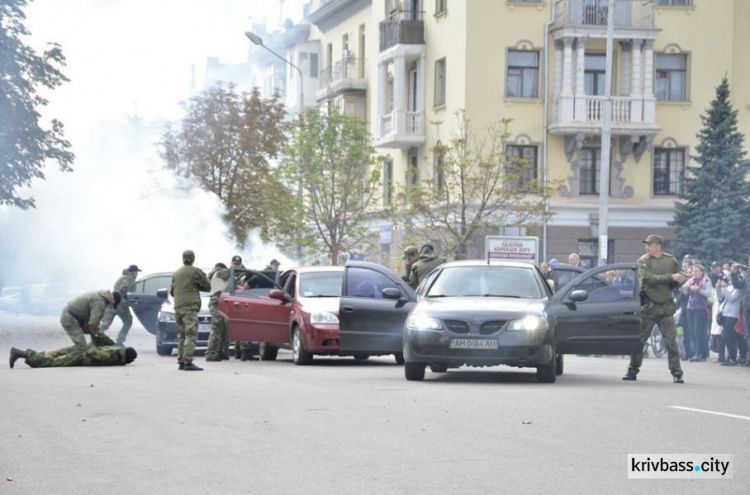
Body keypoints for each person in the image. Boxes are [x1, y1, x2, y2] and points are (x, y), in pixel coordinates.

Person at [623, 235, 687, 383]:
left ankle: (677, 373)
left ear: (658, 246)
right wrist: (671, 277)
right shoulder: (643, 260)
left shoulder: (671, 261)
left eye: (649, 244)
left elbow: (674, 284)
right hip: (649, 306)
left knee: (671, 342)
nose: (646, 247)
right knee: (640, 341)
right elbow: (646, 278)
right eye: (646, 244)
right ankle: (632, 370)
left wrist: (680, 281)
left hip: (665, 306)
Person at [170, 250, 211, 371]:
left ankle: (181, 361)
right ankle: (188, 362)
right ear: (193, 258)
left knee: (182, 335)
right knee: (191, 334)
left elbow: (172, 292)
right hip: (190, 307)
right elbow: (208, 287)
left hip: (178, 307)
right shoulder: (196, 271)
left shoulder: (176, 273)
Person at [100, 264, 141, 346]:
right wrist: (127, 299)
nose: (137, 274)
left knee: (105, 324)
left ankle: (95, 340)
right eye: (136, 272)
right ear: (133, 272)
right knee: (128, 321)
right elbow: (124, 288)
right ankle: (120, 341)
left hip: (111, 302)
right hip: (120, 304)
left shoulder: (123, 277)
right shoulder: (129, 278)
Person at [10, 345, 137, 368]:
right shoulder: (114, 356)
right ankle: (21, 353)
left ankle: (31, 352)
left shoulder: (116, 348)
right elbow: (97, 354)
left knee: (51, 355)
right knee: (49, 362)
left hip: (79, 350)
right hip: (80, 356)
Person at [205, 262, 230, 362]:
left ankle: (220, 352)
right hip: (217, 303)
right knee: (216, 328)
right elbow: (229, 272)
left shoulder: (215, 276)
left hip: (219, 302)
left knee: (223, 328)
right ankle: (210, 353)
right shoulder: (219, 273)